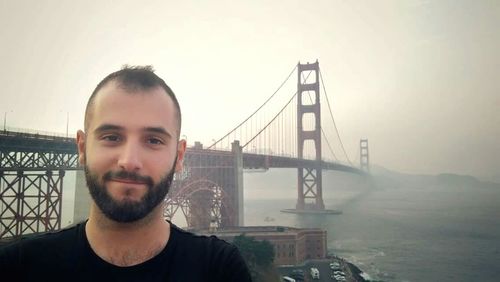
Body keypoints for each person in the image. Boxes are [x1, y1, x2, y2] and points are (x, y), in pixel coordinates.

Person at [0, 66, 252, 281]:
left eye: (153, 140)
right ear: (82, 147)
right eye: (111, 137)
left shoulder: (220, 270)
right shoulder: (15, 267)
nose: (129, 161)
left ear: (180, 156)